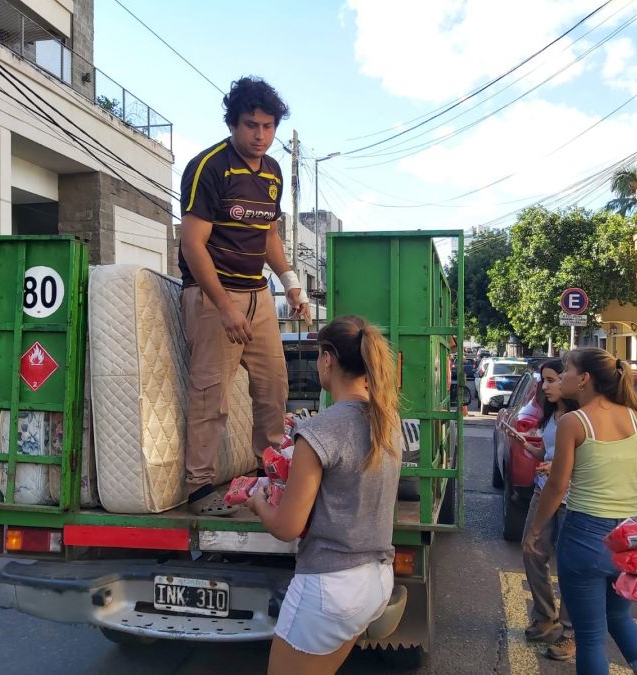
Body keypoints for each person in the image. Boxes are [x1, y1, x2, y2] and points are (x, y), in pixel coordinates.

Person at [178, 76, 310, 515]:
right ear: (233, 124)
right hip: (212, 296)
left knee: (273, 388)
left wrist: (290, 283)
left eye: (268, 126)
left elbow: (268, 234)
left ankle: (268, 474)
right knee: (210, 394)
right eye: (252, 125)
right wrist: (222, 306)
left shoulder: (272, 172)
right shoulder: (209, 167)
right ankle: (199, 488)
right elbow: (192, 244)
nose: (260, 135)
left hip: (258, 294)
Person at [246, 316, 401, 675]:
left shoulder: (318, 430)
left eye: (318, 356)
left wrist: (258, 500)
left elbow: (286, 527)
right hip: (376, 579)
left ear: (327, 359)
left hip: (330, 587)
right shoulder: (387, 422)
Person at [523, 348, 637, 675]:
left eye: (566, 371)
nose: (561, 377)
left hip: (584, 535)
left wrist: (536, 530)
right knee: (619, 618)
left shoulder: (574, 421)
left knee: (591, 637)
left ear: (584, 379)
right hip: (627, 537)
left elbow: (557, 485)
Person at [520, 359, 577, 661]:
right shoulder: (552, 415)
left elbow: (585, 459)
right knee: (531, 550)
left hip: (571, 498)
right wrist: (534, 450)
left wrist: (558, 467)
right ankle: (545, 617)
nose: (545, 386)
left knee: (569, 566)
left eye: (552, 380)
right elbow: (551, 451)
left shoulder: (580, 418)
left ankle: (570, 633)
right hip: (544, 490)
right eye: (544, 380)